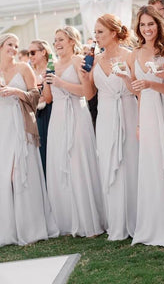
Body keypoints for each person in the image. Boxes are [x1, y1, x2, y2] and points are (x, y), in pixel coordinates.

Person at [44, 26, 106, 237]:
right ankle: (69, 220)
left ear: (72, 41)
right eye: (55, 40)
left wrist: (61, 82)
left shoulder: (78, 61)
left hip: (77, 115)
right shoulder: (52, 64)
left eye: (61, 39)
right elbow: (49, 98)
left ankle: (89, 219)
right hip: (58, 118)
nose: (57, 43)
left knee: (79, 163)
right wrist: (47, 81)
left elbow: (87, 92)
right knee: (62, 165)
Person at [81, 15, 138, 240]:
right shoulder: (94, 60)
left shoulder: (130, 56)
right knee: (109, 165)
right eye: (95, 33)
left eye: (100, 32)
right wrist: (85, 77)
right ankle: (117, 222)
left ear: (114, 33)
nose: (96, 37)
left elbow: (136, 90)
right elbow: (90, 96)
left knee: (130, 162)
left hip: (127, 111)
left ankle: (135, 219)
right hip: (105, 116)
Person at [0, 33, 58, 246]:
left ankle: (30, 227)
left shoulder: (24, 68)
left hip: (21, 123)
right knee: (3, 177)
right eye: (10, 45)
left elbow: (35, 97)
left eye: (16, 45)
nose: (14, 49)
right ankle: (8, 230)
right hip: (2, 127)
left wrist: (17, 91)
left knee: (20, 175)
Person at [130, 6, 164, 247]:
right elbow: (136, 91)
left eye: (151, 24)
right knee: (153, 164)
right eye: (143, 25)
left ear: (159, 24)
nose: (147, 29)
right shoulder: (134, 53)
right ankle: (156, 223)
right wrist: (138, 123)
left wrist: (151, 84)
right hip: (146, 112)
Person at [28, 39, 53, 177]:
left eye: (33, 52)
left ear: (43, 52)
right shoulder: (30, 72)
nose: (30, 56)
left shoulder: (52, 68)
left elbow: (50, 97)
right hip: (35, 115)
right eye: (28, 53)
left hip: (51, 112)